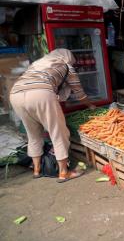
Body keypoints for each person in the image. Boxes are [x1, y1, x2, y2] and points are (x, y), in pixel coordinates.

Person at [9, 49, 95, 182]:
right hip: (40, 94)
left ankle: (37, 170)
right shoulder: (66, 66)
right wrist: (90, 105)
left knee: (33, 134)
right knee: (59, 133)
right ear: (68, 58)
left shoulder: (38, 63)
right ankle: (63, 172)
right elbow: (80, 94)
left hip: (16, 94)